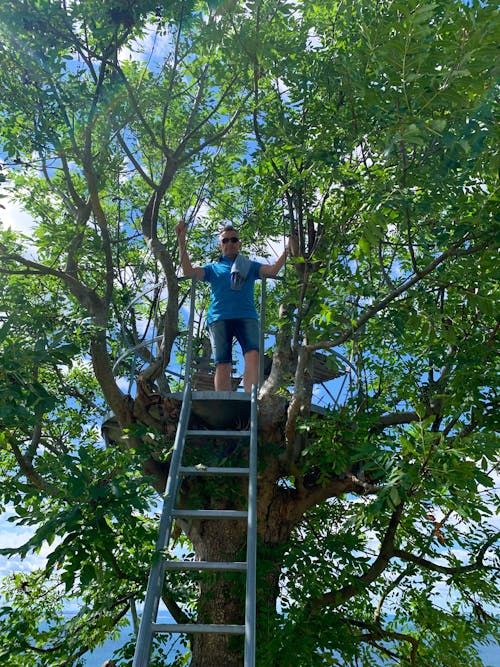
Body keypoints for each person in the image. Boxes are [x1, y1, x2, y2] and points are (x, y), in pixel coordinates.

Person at [174, 220, 289, 392]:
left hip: (246, 316)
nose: (230, 243)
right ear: (220, 245)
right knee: (223, 362)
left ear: (239, 244)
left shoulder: (249, 265)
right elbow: (188, 272)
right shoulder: (212, 268)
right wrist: (181, 239)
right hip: (219, 318)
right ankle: (222, 402)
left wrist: (287, 250)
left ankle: (250, 399)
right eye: (225, 240)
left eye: (233, 239)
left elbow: (272, 271)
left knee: (253, 354)